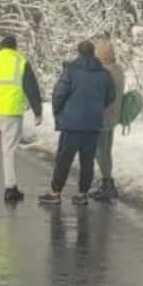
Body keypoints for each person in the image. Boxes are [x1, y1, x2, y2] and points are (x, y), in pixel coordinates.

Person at [39, 41, 114, 206]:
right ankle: (82, 194)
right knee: (87, 160)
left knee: (64, 159)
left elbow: (59, 94)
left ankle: (56, 192)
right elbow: (111, 96)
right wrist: (98, 107)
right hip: (93, 124)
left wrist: (59, 112)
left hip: (72, 123)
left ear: (79, 53)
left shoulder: (70, 71)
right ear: (93, 53)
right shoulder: (104, 74)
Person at [0, 36, 44, 202]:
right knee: (9, 151)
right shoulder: (21, 62)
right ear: (15, 48)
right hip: (12, 113)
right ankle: (10, 187)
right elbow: (31, 87)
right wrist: (37, 111)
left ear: (1, 48)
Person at [90, 37, 125, 201]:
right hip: (114, 116)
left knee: (100, 151)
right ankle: (107, 181)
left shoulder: (103, 72)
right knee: (107, 150)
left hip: (102, 116)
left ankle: (108, 183)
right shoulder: (118, 69)